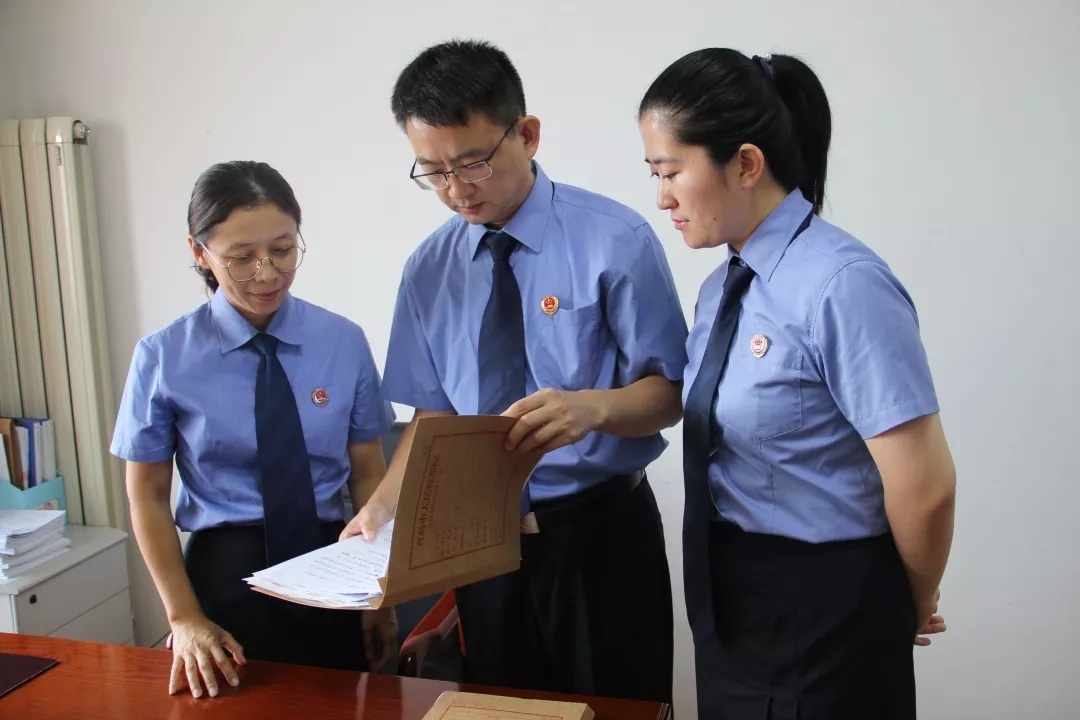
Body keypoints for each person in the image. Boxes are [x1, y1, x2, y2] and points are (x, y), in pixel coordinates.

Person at [342, 39, 687, 704]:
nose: (455, 190)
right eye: (433, 172)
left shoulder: (614, 240)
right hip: (478, 542)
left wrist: (594, 408)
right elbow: (434, 415)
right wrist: (381, 506)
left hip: (600, 539)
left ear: (526, 135)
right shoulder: (429, 269)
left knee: (619, 708)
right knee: (500, 709)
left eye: (472, 163)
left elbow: (670, 392)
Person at [638, 49, 956, 719]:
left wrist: (908, 598)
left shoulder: (843, 286)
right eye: (654, 174)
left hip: (830, 614)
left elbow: (925, 488)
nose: (662, 197)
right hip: (732, 605)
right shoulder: (721, 289)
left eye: (670, 172)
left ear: (746, 164)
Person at [110, 161, 398, 699]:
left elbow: (367, 474)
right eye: (241, 258)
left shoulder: (342, 342)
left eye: (283, 250)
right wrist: (183, 617)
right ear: (200, 252)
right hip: (226, 575)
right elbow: (145, 497)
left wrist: (379, 593)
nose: (266, 273)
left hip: (331, 564)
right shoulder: (164, 357)